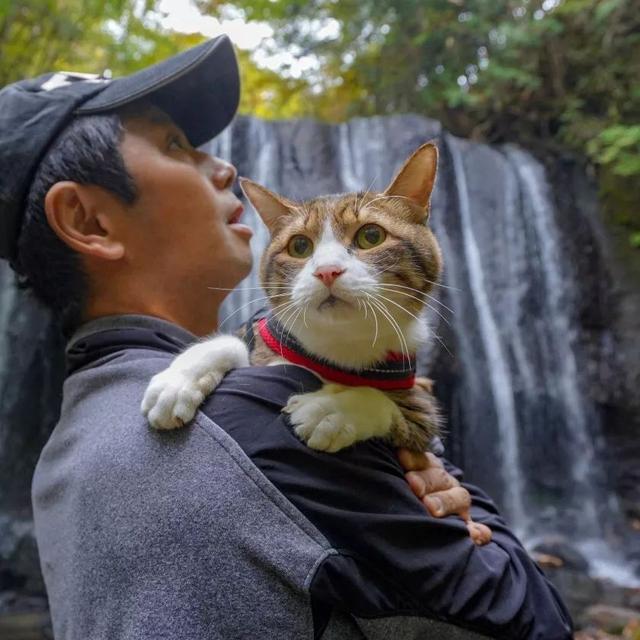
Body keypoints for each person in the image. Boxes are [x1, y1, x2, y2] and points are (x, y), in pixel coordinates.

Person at [0, 36, 573, 639]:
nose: (224, 166)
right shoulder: (260, 428)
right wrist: (475, 508)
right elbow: (535, 618)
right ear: (88, 221)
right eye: (175, 145)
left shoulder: (65, 457)